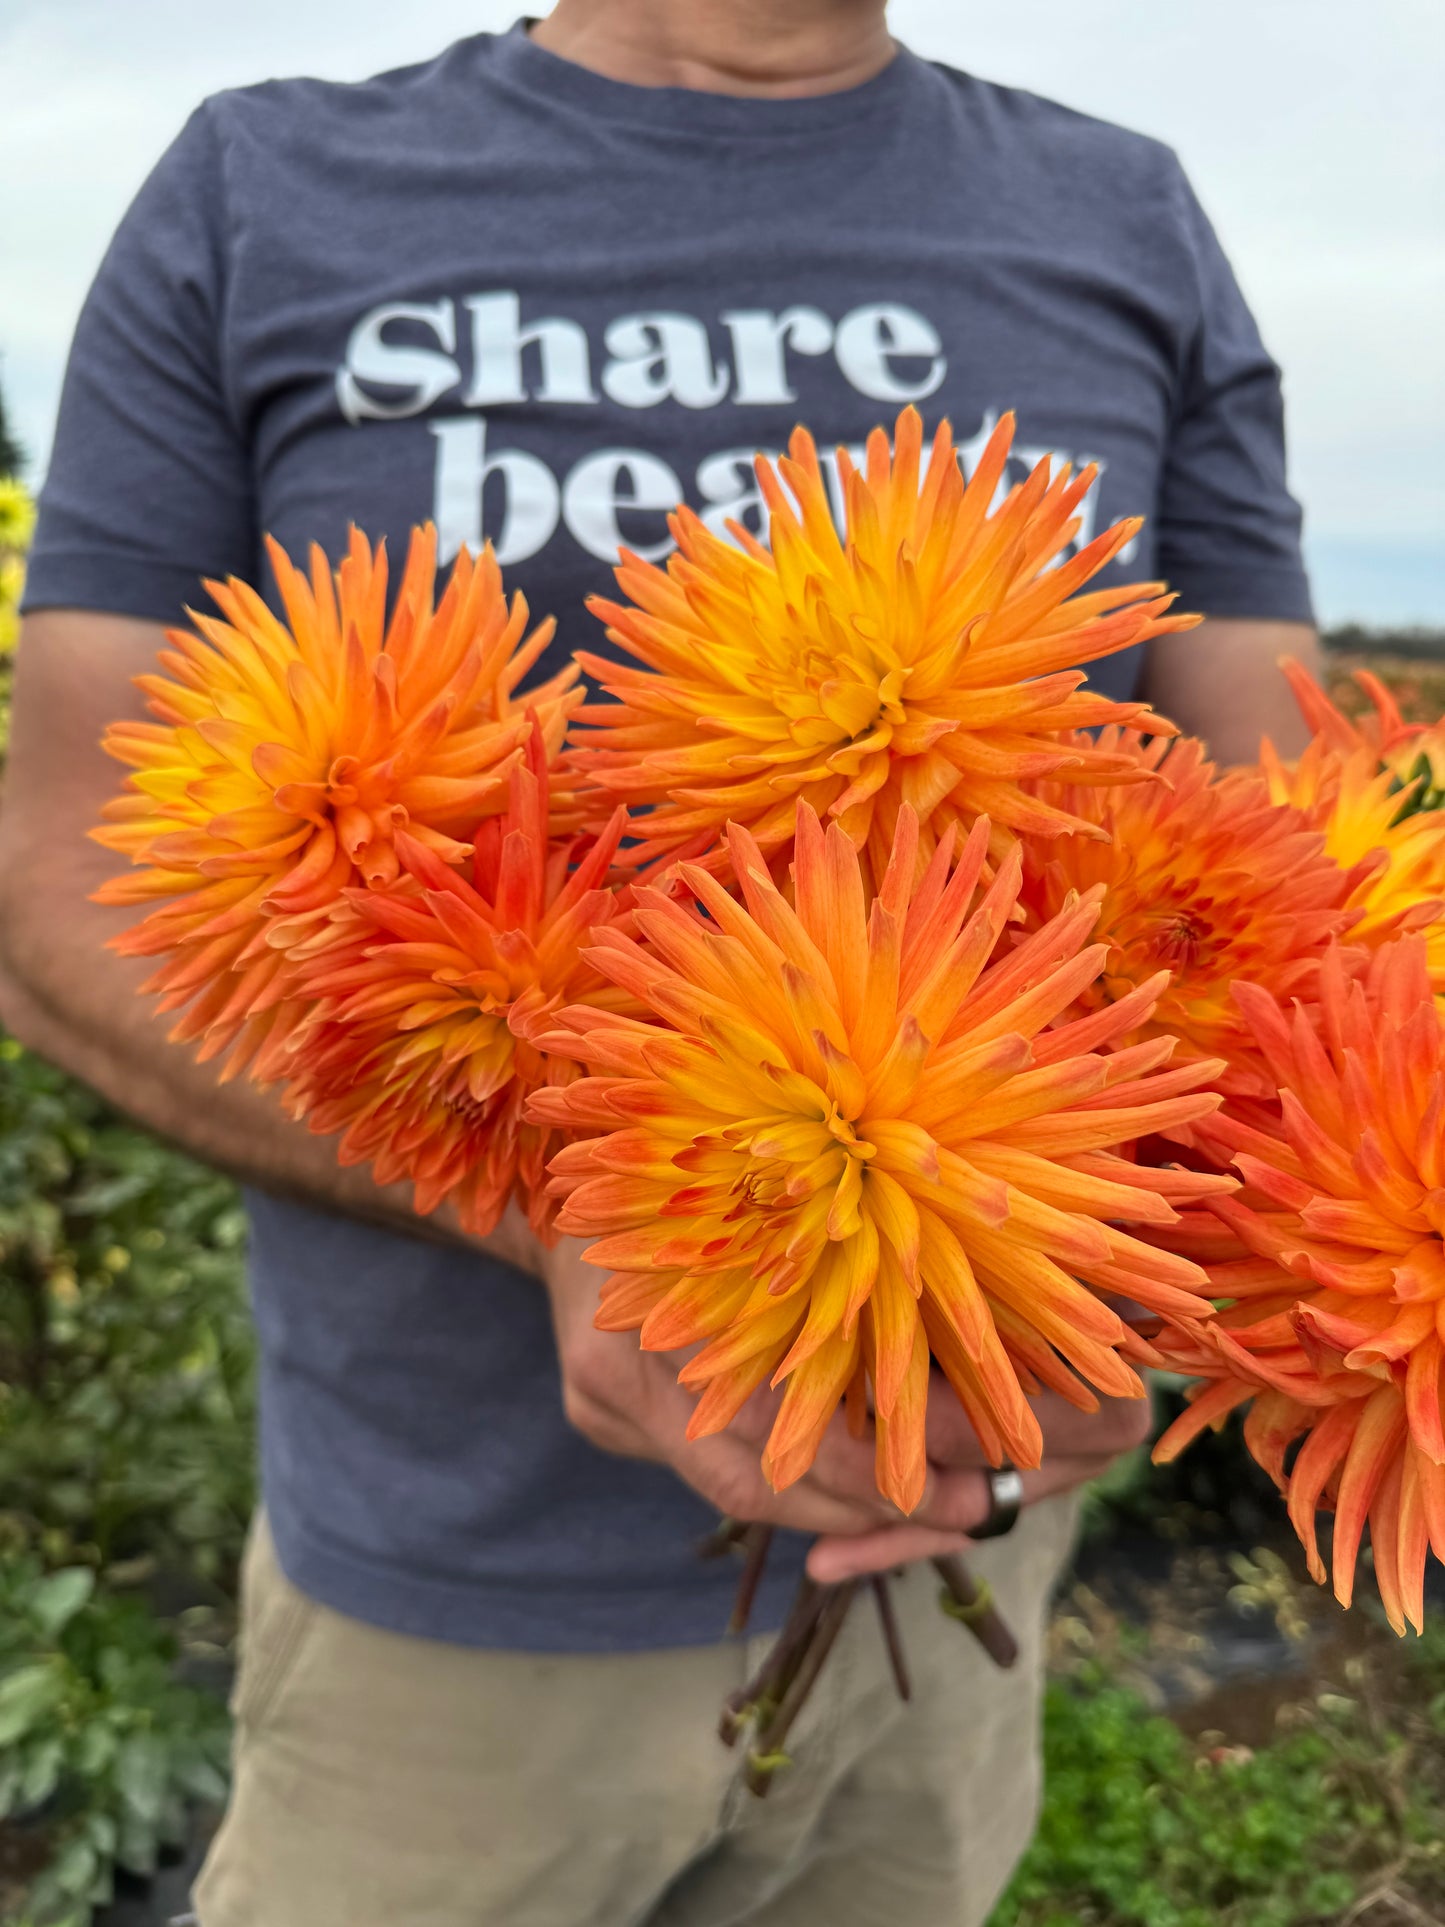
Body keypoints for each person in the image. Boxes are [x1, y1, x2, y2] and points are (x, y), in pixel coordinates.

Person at [0, 3, 1321, 1922]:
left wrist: (1160, 1304)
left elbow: (1284, 872)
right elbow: (58, 883)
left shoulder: (1122, 211)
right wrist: (577, 1213)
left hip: (960, 1597)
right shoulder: (262, 183)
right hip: (446, 1640)